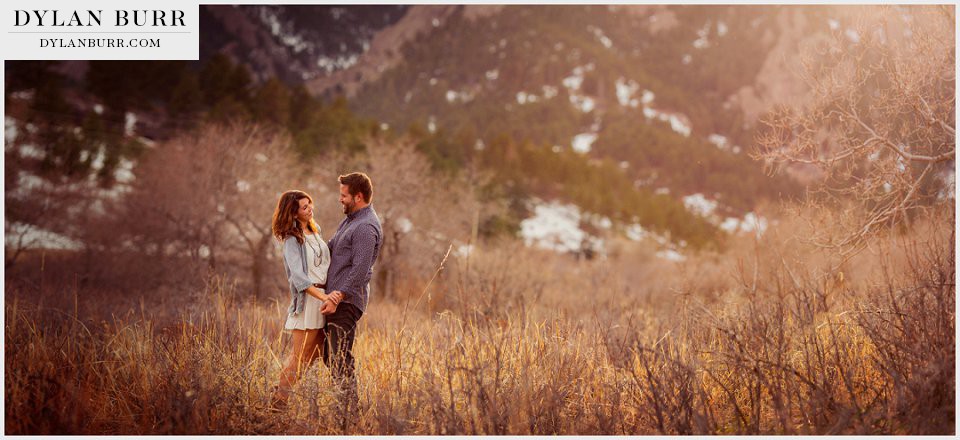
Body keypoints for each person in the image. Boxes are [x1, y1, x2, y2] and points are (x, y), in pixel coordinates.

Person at [269, 190, 344, 410]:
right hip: (310, 301)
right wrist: (324, 296)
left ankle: (280, 394)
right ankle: (278, 401)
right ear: (293, 212)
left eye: (310, 203)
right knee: (300, 357)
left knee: (315, 355)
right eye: (304, 207)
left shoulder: (315, 230)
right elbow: (298, 278)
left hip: (324, 298)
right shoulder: (293, 240)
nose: (310, 208)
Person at [323, 172, 382, 424]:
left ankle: (348, 417)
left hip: (347, 302)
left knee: (340, 357)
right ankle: (346, 409)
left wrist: (338, 295)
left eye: (344, 195)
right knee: (330, 355)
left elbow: (361, 269)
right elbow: (331, 248)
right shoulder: (350, 221)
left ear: (358, 196)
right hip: (334, 301)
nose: (340, 199)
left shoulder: (366, 227)